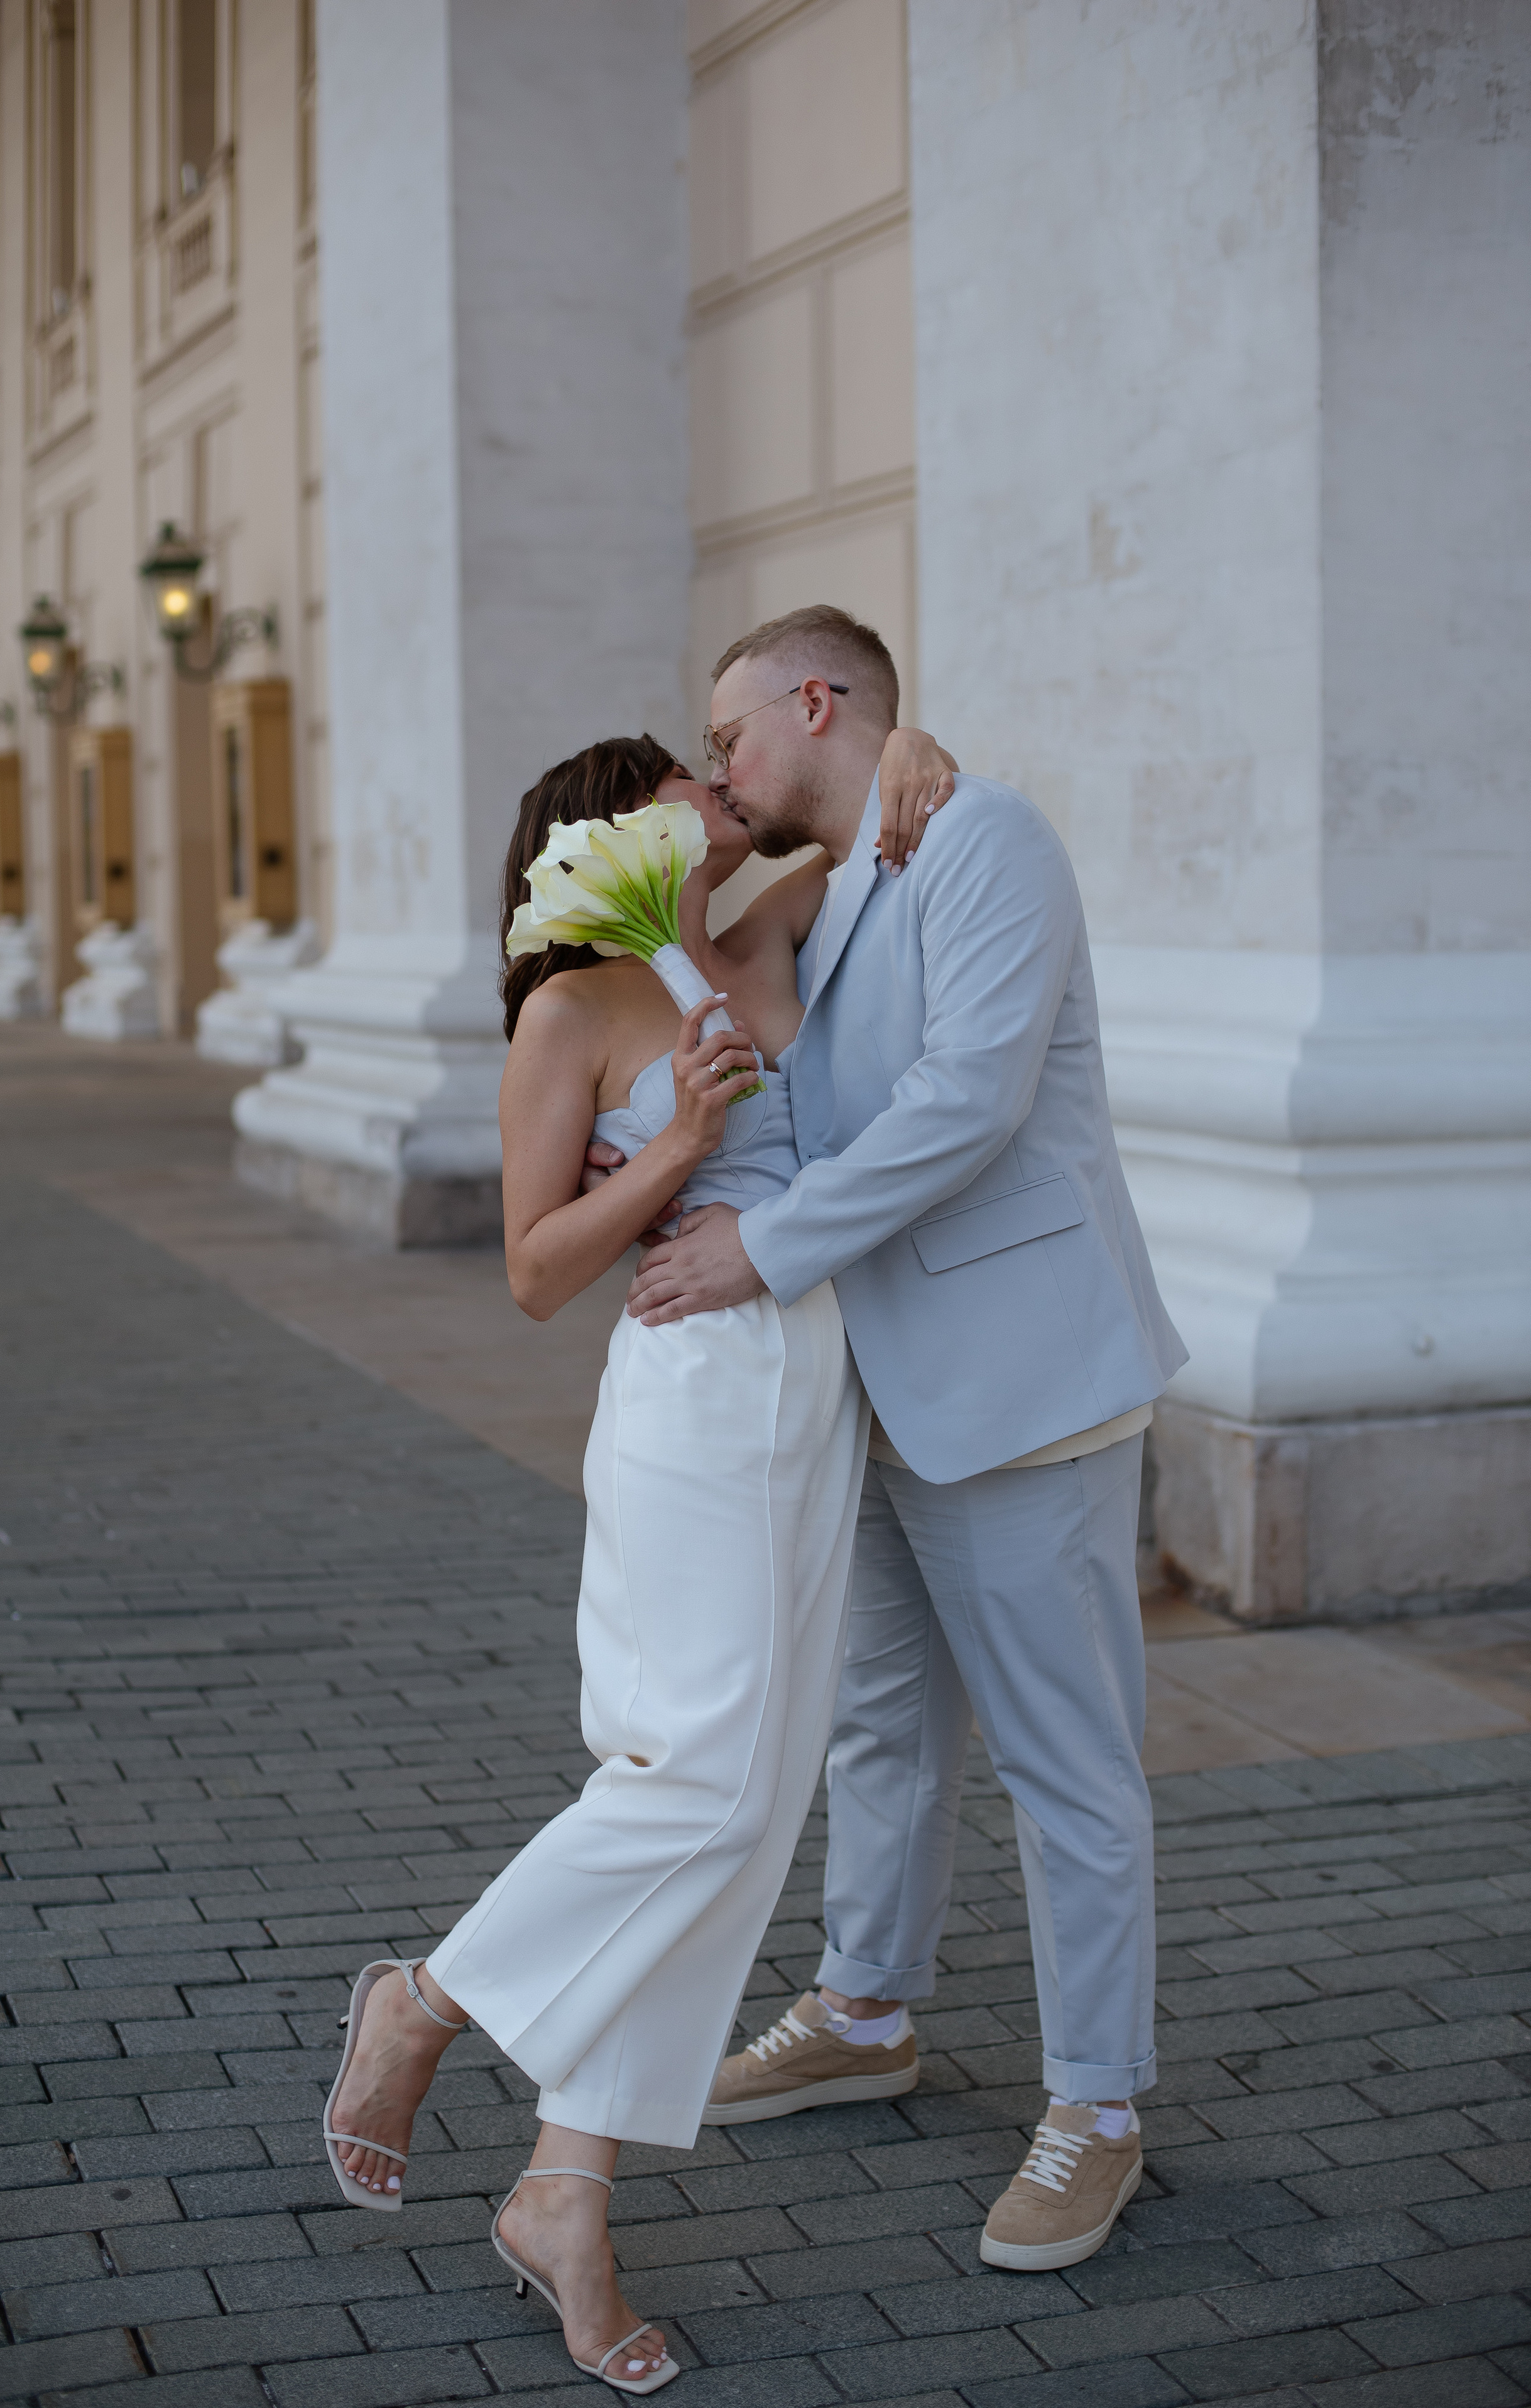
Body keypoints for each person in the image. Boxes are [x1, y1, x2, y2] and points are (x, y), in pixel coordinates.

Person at [322, 723, 956, 2394]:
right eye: (690, 773)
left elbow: (863, 848)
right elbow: (536, 1268)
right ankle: (424, 2001)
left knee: (740, 1823)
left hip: (812, 1404)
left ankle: (565, 2191)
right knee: (703, 1790)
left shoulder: (742, 939)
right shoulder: (573, 1008)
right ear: (616, 823)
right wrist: (675, 1146)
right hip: (699, 1404)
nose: (720, 791)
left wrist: (913, 746)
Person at [622, 604, 1187, 2275]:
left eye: (731, 734)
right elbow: (786, 1048)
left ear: (817, 697)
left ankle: (1099, 2104)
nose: (720, 767)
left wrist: (759, 1248)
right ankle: (867, 2006)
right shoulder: (850, 876)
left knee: (1068, 1762)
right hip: (880, 1384)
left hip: (1020, 1385)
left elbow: (972, 1100)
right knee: (884, 1721)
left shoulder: (987, 838)